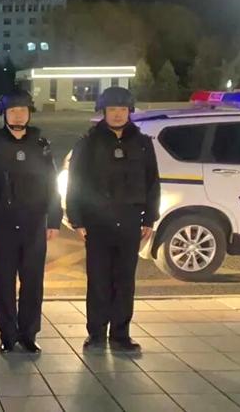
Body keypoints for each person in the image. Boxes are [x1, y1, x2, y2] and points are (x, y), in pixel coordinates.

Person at [66, 86, 161, 352]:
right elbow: (76, 182)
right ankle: (96, 333)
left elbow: (152, 182)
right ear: (103, 111)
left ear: (129, 111)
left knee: (125, 280)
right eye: (112, 109)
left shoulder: (142, 143)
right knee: (98, 279)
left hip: (130, 219)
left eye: (122, 109)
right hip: (97, 220)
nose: (118, 114)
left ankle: (121, 334)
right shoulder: (89, 142)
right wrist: (77, 219)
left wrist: (149, 218)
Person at [0, 89, 61, 354]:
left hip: (34, 222)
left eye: (23, 110)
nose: (18, 115)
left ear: (29, 113)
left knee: (33, 282)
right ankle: (8, 335)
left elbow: (52, 184)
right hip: (2, 223)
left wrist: (54, 220)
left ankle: (29, 334)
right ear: (4, 114)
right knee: (4, 283)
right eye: (13, 111)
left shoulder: (41, 145)